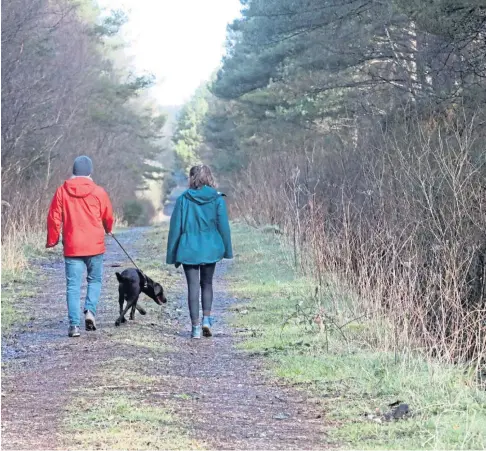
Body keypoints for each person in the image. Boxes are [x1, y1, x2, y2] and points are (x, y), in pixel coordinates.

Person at [46, 156, 114, 337]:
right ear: (90, 172)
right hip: (95, 245)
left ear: (73, 171)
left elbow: (54, 217)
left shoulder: (62, 191)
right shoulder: (99, 192)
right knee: (95, 280)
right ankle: (90, 312)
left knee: (73, 286)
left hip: (73, 246)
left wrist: (52, 240)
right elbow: (108, 215)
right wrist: (108, 229)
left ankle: (74, 326)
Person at [166, 165, 233, 339]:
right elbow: (223, 227)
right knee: (208, 284)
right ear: (209, 178)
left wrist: (172, 254)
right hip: (210, 247)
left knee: (193, 287)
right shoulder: (217, 199)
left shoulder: (183, 200)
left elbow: (175, 229)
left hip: (188, 248)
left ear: (191, 178)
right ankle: (206, 319)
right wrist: (227, 250)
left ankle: (195, 328)